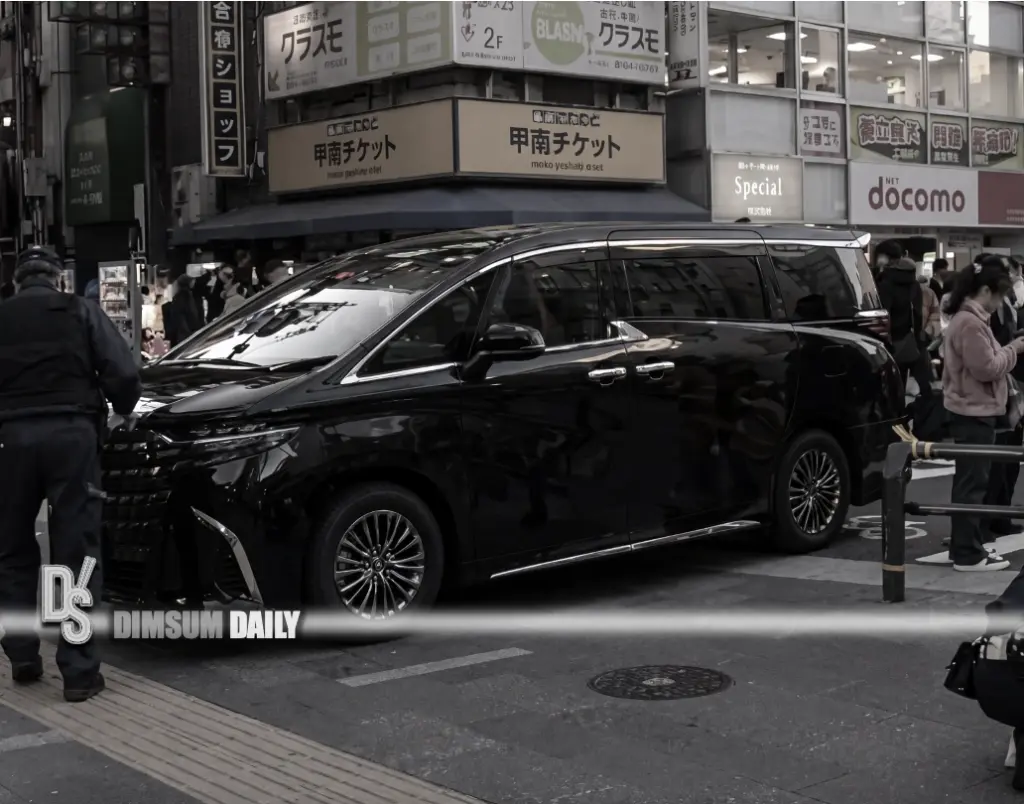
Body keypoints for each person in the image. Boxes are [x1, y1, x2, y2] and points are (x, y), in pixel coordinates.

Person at [0, 245, 141, 701]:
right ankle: (79, 672)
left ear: (17, 281)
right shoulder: (80, 311)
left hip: (9, 441)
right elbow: (122, 372)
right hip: (72, 438)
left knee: (10, 550)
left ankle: (22, 654)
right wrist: (122, 408)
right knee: (75, 553)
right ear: (58, 278)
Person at [942, 256, 1024, 572]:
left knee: (972, 482)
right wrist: (1014, 349)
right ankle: (968, 553)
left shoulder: (968, 319)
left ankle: (966, 547)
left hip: (971, 408)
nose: (1000, 302)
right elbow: (986, 368)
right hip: (973, 410)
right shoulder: (971, 323)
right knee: (972, 484)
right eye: (999, 295)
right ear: (986, 290)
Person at [984, 256, 1024, 539]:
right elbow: (991, 354)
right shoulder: (984, 311)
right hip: (1000, 387)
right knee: (996, 460)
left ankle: (1001, 516)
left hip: (1012, 385)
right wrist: (1014, 346)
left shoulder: (1008, 303)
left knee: (1009, 458)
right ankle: (987, 521)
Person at [878, 256, 925, 384]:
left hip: (890, 336)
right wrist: (918, 334)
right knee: (919, 372)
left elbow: (884, 312)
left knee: (894, 376)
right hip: (908, 334)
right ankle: (927, 394)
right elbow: (917, 312)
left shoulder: (885, 284)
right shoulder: (914, 285)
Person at [162, 274, 202, 347]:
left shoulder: (178, 297)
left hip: (182, 332)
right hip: (186, 333)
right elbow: (191, 314)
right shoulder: (187, 296)